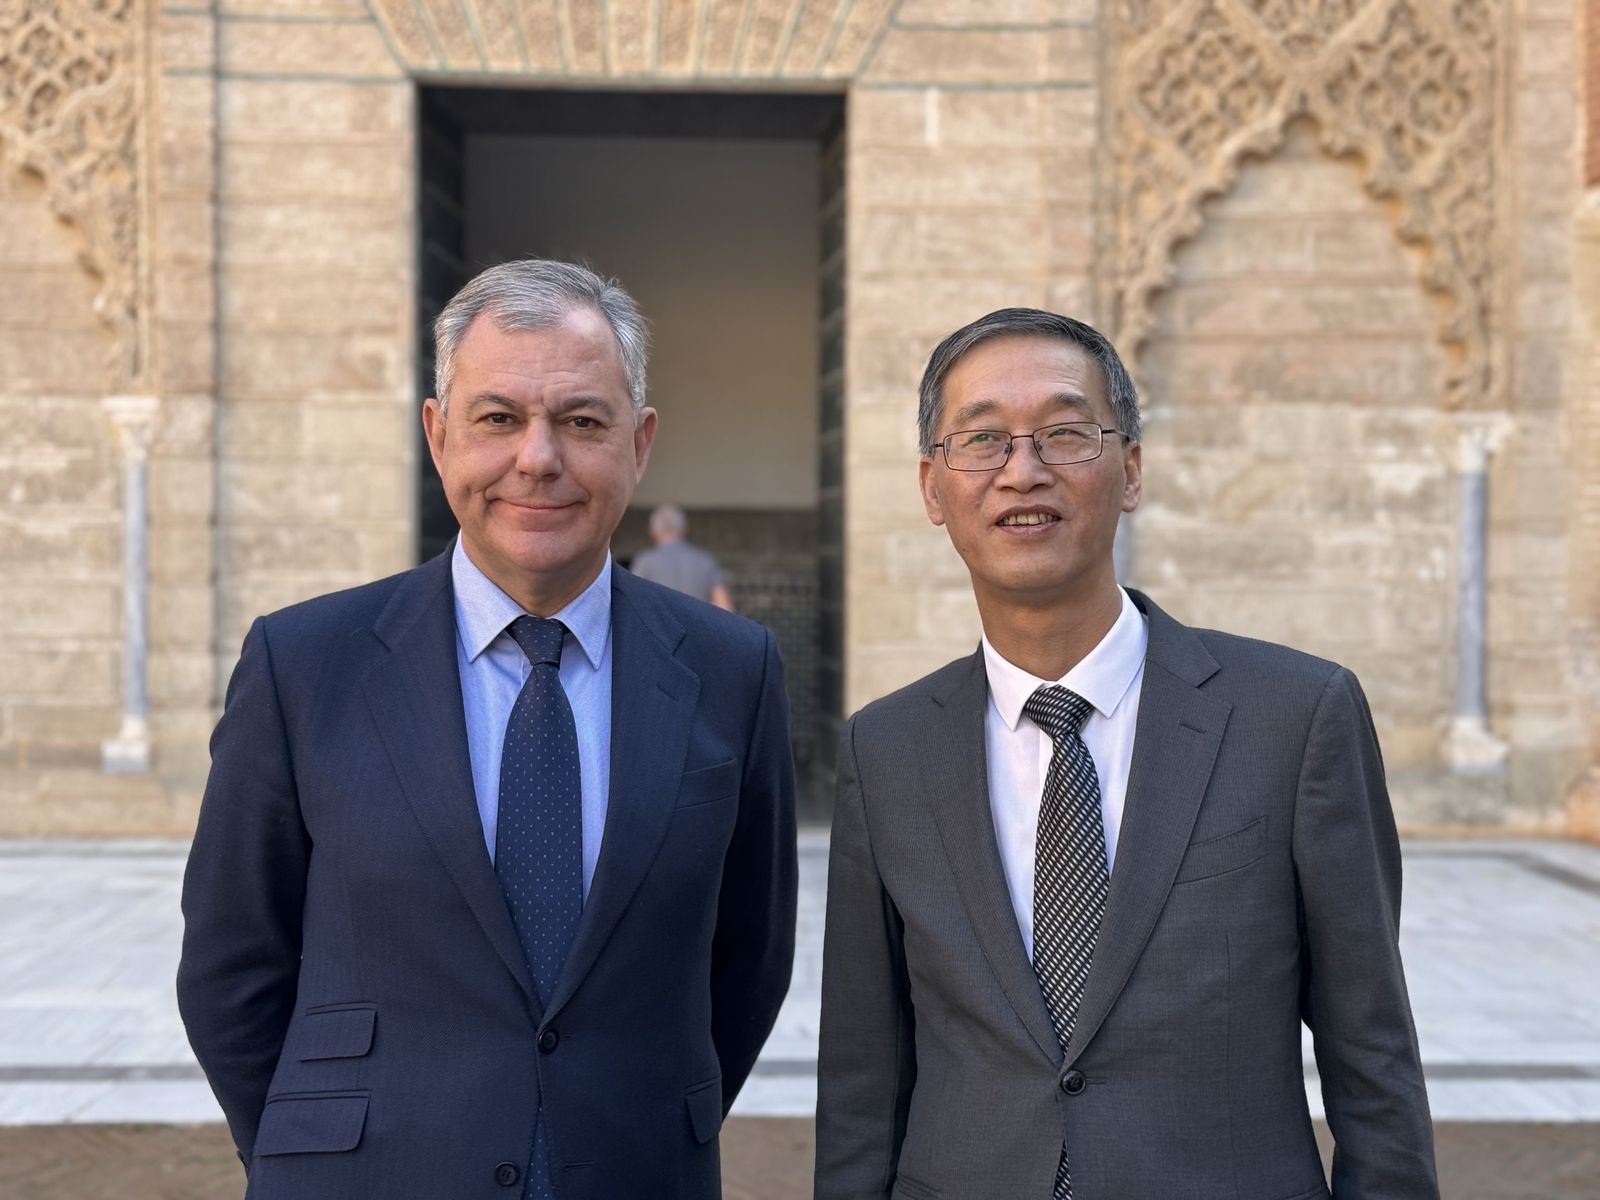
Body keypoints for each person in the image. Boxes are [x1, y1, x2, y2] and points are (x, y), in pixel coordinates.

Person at [177, 259, 798, 1200]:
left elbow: (750, 959)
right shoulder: (305, 664)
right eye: (498, 418)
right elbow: (232, 959)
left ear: (641, 442)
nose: (538, 458)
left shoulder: (731, 670)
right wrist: (305, 1155)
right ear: (438, 434)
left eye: (582, 421)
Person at [814, 308, 1437, 1199]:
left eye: (1065, 433)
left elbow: (1373, 1061)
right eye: (982, 440)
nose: (1022, 470)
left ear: (1131, 469)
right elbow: (861, 1086)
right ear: (932, 487)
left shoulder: (1294, 719)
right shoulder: (887, 749)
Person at [629, 504, 734, 611]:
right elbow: (724, 607)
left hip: (658, 626)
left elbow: (632, 601)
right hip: (696, 625)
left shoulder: (646, 560)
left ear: (653, 530)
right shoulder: (705, 560)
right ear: (684, 528)